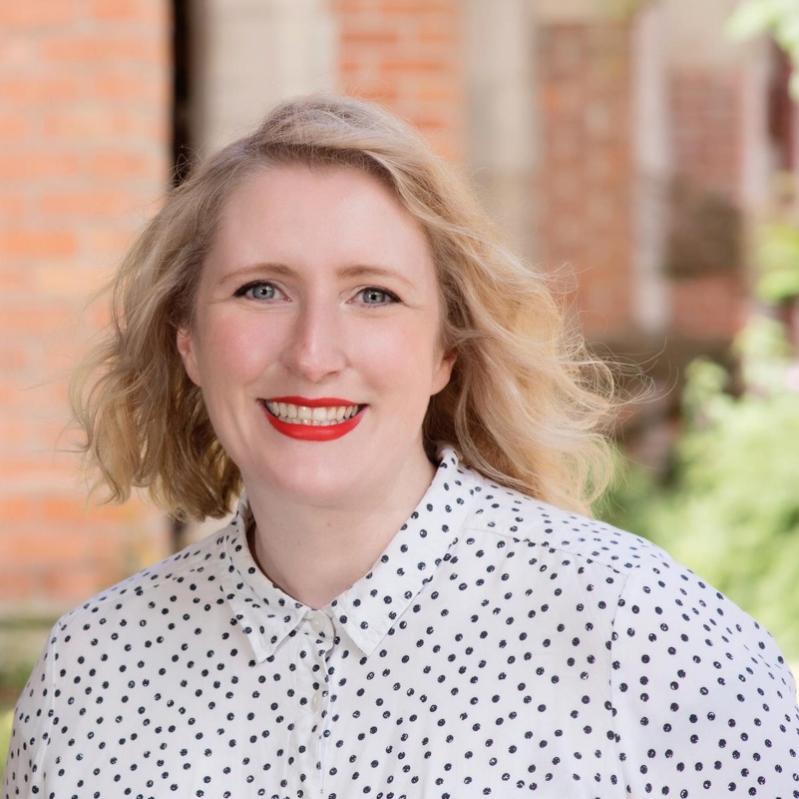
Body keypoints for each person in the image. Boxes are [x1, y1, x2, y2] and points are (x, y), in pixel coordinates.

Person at [3, 93, 798, 799]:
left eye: (373, 294)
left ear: (444, 350)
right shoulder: (93, 668)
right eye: (261, 289)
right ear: (188, 340)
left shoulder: (638, 628)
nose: (313, 353)